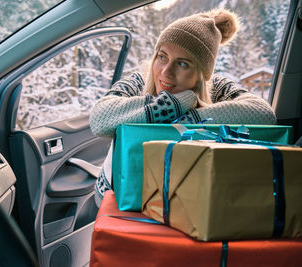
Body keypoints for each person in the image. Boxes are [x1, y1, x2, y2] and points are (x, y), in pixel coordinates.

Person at [89, 9, 277, 206]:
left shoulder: (218, 88)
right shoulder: (137, 82)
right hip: (116, 197)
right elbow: (99, 119)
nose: (166, 72)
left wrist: (193, 116)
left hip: (185, 202)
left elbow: (263, 114)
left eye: (183, 64)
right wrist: (176, 104)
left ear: (202, 75)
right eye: (162, 57)